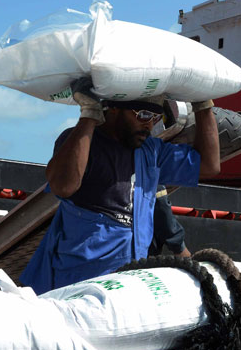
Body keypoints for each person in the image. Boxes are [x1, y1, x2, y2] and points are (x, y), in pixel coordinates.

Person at [20, 78, 219, 294]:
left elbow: (208, 165)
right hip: (77, 281)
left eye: (155, 117)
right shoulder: (81, 141)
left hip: (128, 279)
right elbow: (62, 186)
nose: (149, 125)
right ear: (114, 109)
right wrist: (89, 114)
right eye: (142, 115)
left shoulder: (151, 151)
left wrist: (203, 105)